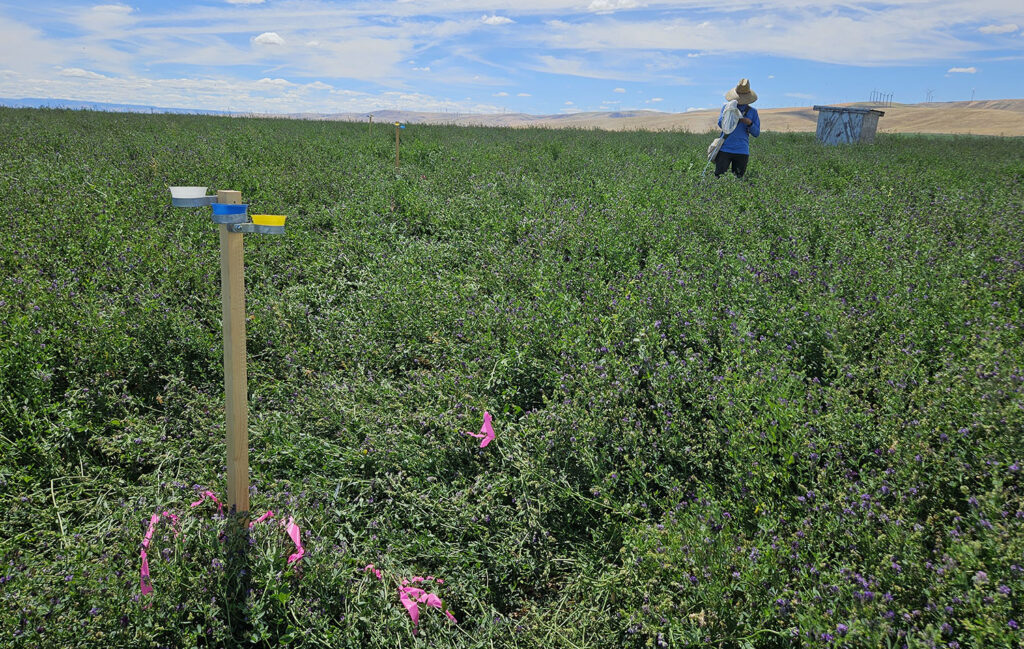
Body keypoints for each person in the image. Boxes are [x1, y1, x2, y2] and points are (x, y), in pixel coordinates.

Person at [715, 78, 760, 178]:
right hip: (725, 149)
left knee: (738, 179)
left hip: (742, 151)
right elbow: (720, 124)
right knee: (718, 179)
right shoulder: (727, 108)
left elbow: (757, 133)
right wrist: (729, 114)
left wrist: (750, 123)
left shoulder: (753, 112)